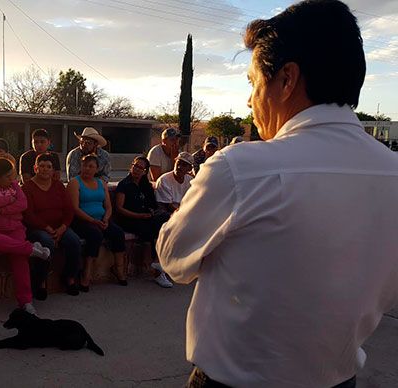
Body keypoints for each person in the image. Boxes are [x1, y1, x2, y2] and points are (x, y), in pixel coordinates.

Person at [157, 1, 397, 387]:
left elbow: (173, 259)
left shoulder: (240, 169)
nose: (250, 101)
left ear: (286, 79)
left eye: (253, 83)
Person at [0, 157, 50, 315]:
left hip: (14, 228)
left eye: (12, 176)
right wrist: (8, 199)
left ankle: (26, 301)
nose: (12, 180)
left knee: (19, 257)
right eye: (8, 177)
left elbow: (22, 204)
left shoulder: (13, 185)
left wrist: (1, 210)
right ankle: (31, 249)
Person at [22, 153, 82, 299]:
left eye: (48, 167)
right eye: (41, 166)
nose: (44, 169)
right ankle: (41, 281)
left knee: (74, 242)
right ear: (35, 168)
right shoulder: (27, 187)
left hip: (59, 227)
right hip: (37, 229)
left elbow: (69, 209)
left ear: (53, 170)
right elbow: (28, 214)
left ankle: (69, 278)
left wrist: (63, 227)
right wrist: (47, 228)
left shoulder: (58, 186)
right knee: (47, 243)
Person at [67, 154, 126, 291]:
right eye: (84, 165)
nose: (87, 169)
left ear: (97, 169)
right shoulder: (75, 183)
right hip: (81, 220)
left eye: (91, 166)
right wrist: (93, 221)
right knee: (95, 235)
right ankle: (86, 272)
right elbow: (75, 208)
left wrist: (105, 218)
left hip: (101, 219)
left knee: (117, 233)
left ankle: (119, 269)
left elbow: (109, 206)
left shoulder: (101, 183)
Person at [115, 156, 172, 288]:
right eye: (135, 166)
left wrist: (151, 213)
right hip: (129, 220)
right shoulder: (124, 185)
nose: (136, 169)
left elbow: (153, 205)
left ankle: (158, 263)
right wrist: (139, 215)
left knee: (166, 221)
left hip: (145, 218)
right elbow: (119, 208)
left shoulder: (146, 186)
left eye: (140, 168)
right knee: (153, 231)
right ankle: (158, 272)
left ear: (145, 171)